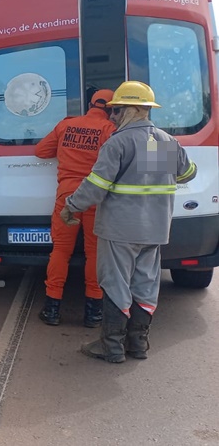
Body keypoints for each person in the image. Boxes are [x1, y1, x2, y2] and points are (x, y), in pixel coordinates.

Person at [63, 81, 197, 363]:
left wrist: (72, 206)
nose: (112, 116)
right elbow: (187, 174)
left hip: (120, 230)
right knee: (146, 285)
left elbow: (96, 187)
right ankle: (137, 345)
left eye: (116, 110)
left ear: (134, 109)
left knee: (114, 283)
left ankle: (111, 346)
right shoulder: (163, 142)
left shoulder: (119, 143)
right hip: (155, 230)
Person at [34, 89, 116, 327]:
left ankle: (52, 309)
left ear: (90, 103)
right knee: (94, 253)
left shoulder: (66, 125)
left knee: (60, 251)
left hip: (68, 197)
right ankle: (93, 314)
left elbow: (40, 151)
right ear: (112, 109)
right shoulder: (110, 131)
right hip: (95, 197)